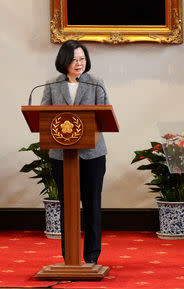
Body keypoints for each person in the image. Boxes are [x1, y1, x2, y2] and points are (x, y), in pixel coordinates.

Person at [41, 40, 109, 264]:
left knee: (92, 205)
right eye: (74, 59)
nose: (79, 63)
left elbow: (105, 118)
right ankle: (69, 256)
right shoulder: (52, 84)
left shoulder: (96, 84)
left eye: (82, 58)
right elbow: (44, 117)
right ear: (64, 61)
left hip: (92, 155)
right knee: (66, 206)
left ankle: (91, 257)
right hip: (62, 156)